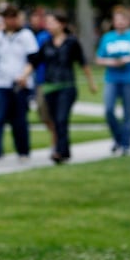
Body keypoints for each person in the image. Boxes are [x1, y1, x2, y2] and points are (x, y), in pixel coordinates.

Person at [26, 12, 98, 164]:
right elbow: (35, 62)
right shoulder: (47, 43)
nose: (48, 26)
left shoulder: (72, 42)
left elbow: (83, 63)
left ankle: (60, 151)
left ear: (62, 24)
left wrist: (91, 83)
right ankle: (62, 150)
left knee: (61, 119)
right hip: (49, 87)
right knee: (54, 120)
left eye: (52, 22)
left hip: (67, 86)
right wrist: (23, 76)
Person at [0, 6, 39, 163]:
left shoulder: (26, 35)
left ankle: (23, 150)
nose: (10, 21)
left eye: (13, 17)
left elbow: (33, 58)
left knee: (19, 119)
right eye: (7, 17)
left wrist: (25, 75)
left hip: (20, 83)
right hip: (2, 82)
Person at [95, 6, 130, 156]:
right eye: (117, 20)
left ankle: (126, 144)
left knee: (127, 112)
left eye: (123, 19)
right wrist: (112, 62)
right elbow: (99, 59)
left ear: (128, 21)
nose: (120, 22)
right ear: (113, 21)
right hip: (111, 78)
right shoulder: (107, 38)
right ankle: (118, 138)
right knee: (109, 110)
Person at [27, 7, 56, 155]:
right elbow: (35, 59)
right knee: (42, 113)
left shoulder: (60, 39)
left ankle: (56, 142)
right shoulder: (40, 37)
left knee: (55, 114)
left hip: (55, 81)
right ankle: (56, 135)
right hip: (41, 79)